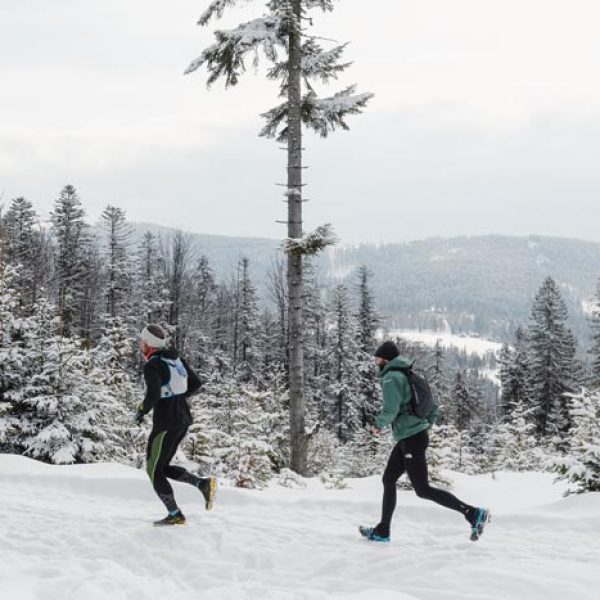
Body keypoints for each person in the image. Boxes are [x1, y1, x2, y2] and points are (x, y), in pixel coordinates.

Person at [359, 341, 489, 543]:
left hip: (411, 439)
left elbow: (391, 410)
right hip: (408, 437)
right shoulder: (408, 375)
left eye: (377, 359)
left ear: (384, 360)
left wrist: (376, 425)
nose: (375, 363)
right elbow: (433, 407)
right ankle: (383, 530)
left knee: (422, 489)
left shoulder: (391, 378)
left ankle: (472, 513)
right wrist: (424, 425)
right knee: (388, 480)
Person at [134, 324, 217, 526]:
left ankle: (175, 514)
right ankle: (202, 484)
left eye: (142, 342)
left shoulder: (152, 365)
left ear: (149, 344)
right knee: (162, 467)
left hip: (165, 422)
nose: (140, 345)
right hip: (183, 419)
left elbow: (153, 395)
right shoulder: (175, 359)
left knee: (153, 470)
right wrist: (176, 397)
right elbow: (195, 383)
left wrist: (141, 411)